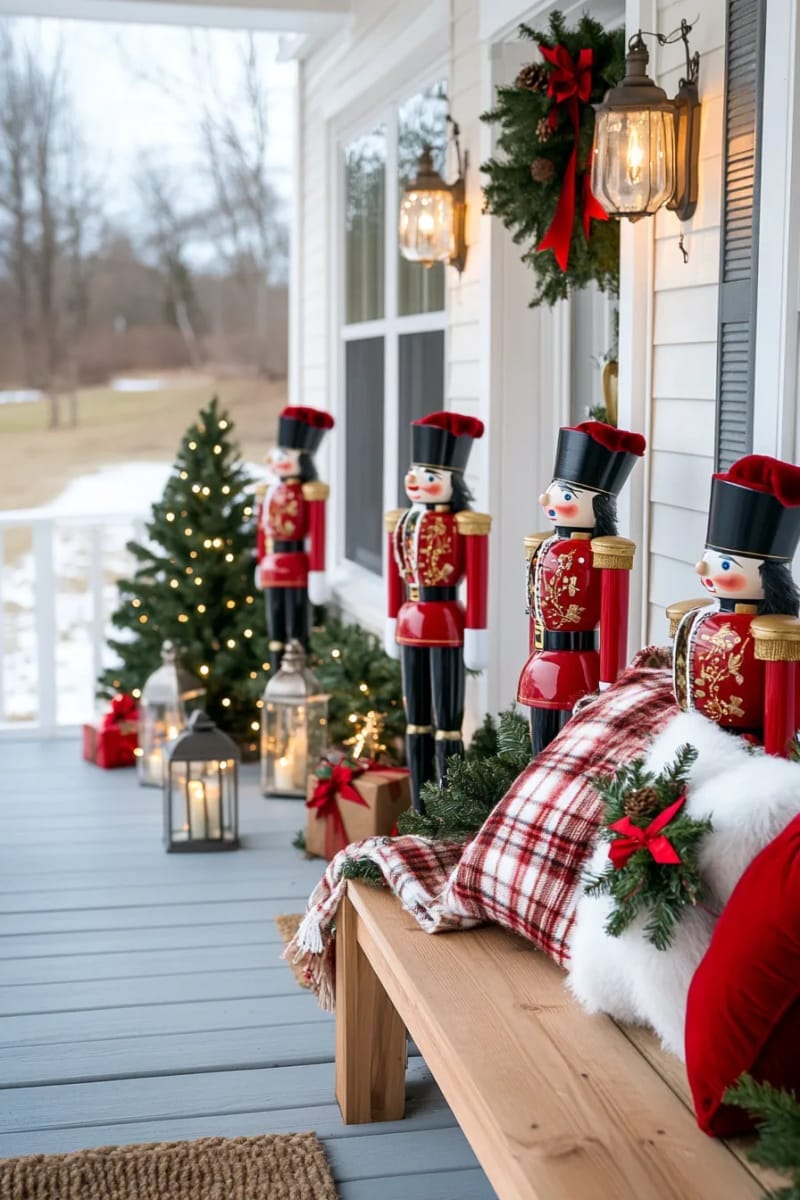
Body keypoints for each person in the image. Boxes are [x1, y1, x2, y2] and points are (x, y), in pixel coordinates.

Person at [517, 420, 646, 756]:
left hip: (582, 667)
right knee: (538, 753)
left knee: (573, 754)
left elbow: (612, 618)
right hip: (542, 662)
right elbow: (537, 609)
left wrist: (609, 683)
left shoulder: (604, 552)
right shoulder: (543, 546)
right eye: (554, 488)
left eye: (566, 493)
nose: (549, 498)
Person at [384, 411, 490, 811]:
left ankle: (450, 802)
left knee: (447, 722)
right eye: (414, 471)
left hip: (447, 620)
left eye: (428, 474)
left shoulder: (465, 523)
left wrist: (478, 631)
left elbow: (477, 578)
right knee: (416, 718)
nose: (415, 480)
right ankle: (420, 804)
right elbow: (395, 574)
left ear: (452, 482)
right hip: (411, 618)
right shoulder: (404, 521)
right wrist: (392, 618)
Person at [668, 454, 800, 755]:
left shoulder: (774, 631)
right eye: (708, 557)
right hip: (696, 733)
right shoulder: (698, 616)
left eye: (725, 565)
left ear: (768, 576)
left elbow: (783, 698)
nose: (703, 569)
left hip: (750, 744)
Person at [255, 406, 334, 674]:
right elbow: (262, 528)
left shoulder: (310, 492)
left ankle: (297, 669)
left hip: (298, 564)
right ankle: (276, 673)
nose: (276, 460)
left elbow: (318, 533)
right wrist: (261, 561)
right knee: (275, 625)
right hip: (272, 565)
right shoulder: (269, 491)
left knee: (297, 624)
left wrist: (317, 572)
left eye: (284, 455)